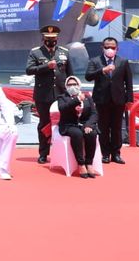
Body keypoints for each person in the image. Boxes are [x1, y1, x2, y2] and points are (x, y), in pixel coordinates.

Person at [25, 25, 73, 164]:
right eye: (48, 38)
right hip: (43, 94)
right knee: (44, 124)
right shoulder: (35, 52)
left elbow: (70, 74)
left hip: (61, 94)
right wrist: (47, 66)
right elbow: (29, 70)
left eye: (53, 38)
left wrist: (73, 92)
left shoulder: (64, 52)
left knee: (64, 122)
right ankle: (43, 153)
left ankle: (62, 152)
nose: (51, 40)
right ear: (43, 39)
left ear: (57, 38)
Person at [84, 37, 133, 165]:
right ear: (102, 48)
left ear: (117, 48)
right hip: (101, 100)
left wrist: (129, 100)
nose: (109, 49)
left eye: (112, 47)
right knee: (103, 128)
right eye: (107, 47)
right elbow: (88, 76)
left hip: (118, 100)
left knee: (117, 128)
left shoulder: (123, 62)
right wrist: (102, 70)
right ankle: (105, 154)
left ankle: (116, 153)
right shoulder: (95, 61)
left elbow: (128, 82)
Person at [58, 76, 99, 178]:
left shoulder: (87, 97)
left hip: (84, 124)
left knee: (91, 133)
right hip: (69, 124)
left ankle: (89, 163)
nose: (72, 86)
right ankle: (81, 164)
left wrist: (89, 125)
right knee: (77, 134)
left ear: (79, 85)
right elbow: (63, 109)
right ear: (66, 86)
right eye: (70, 84)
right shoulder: (62, 97)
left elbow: (94, 114)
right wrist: (76, 99)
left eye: (74, 84)